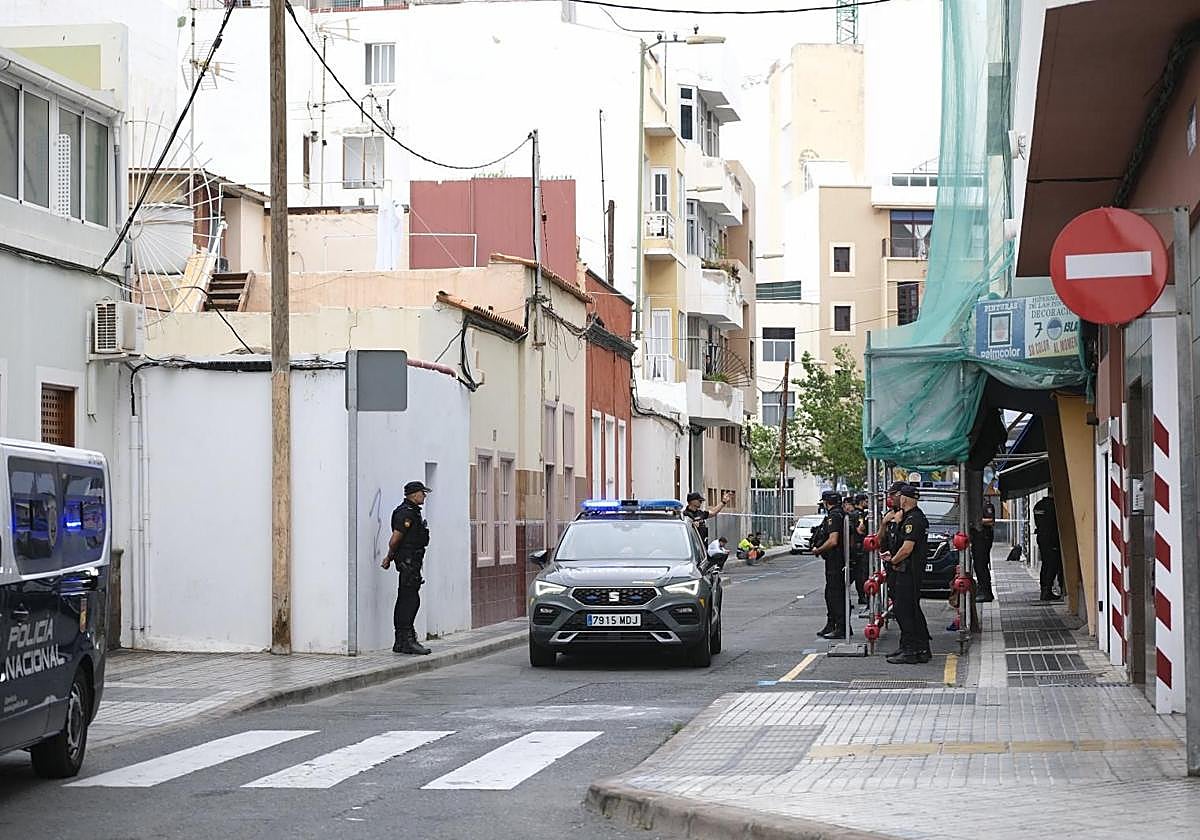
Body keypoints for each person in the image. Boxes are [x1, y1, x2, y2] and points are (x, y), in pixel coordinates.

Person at [381, 480, 433, 655]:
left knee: (410, 599)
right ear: (413, 494)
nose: (424, 496)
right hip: (407, 562)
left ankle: (404, 639)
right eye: (422, 493)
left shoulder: (413, 512)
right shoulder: (406, 513)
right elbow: (395, 539)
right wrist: (389, 557)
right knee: (408, 601)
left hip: (412, 561)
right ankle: (405, 640)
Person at [883, 484, 932, 664]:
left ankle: (910, 650)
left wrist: (893, 560)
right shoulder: (908, 518)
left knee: (905, 610)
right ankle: (918, 647)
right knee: (911, 610)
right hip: (907, 570)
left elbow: (907, 548)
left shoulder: (914, 520)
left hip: (908, 571)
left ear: (904, 498)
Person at [813, 490, 850, 639]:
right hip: (838, 559)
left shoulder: (834, 516)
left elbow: (833, 540)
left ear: (826, 502)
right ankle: (833, 624)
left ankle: (841, 627)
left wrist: (819, 549)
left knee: (835, 594)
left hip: (836, 560)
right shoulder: (841, 514)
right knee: (831, 593)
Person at [1033, 490, 1064, 602]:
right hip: (1052, 539)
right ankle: (1047, 591)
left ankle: (1044, 590)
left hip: (1042, 538)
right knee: (1052, 565)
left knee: (1046, 564)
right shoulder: (1054, 506)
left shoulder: (1038, 505)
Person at [972, 492, 997, 602]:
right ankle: (984, 590)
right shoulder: (975, 507)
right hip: (977, 539)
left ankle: (986, 592)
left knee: (981, 565)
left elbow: (991, 521)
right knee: (978, 566)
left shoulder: (986, 505)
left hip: (983, 538)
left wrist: (975, 521)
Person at [843, 496, 868, 608]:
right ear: (861, 502)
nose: (867, 503)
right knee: (859, 575)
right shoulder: (859, 515)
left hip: (853, 550)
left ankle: (848, 598)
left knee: (854, 575)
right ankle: (861, 597)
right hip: (858, 549)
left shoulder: (851, 515)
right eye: (866, 501)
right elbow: (860, 530)